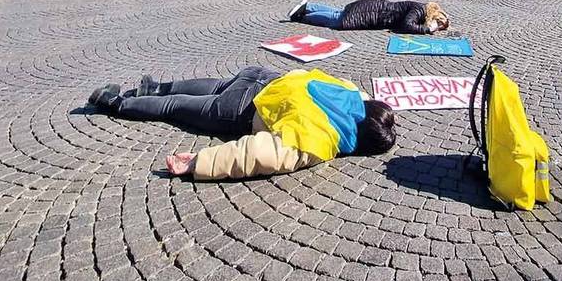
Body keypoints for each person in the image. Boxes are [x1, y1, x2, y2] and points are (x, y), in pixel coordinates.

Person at [87, 66, 396, 180]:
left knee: (210, 84)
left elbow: (365, 96)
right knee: (175, 107)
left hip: (261, 77)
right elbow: (259, 155)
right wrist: (200, 161)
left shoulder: (349, 92)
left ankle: (154, 87)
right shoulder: (322, 138)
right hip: (241, 109)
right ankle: (118, 103)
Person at [288, 0, 449, 33]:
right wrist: (426, 29)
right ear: (434, 16)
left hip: (374, 7)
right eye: (439, 23)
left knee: (340, 13)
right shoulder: (420, 10)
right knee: (339, 21)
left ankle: (308, 6)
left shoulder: (421, 9)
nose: (439, 27)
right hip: (374, 12)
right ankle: (303, 16)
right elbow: (407, 24)